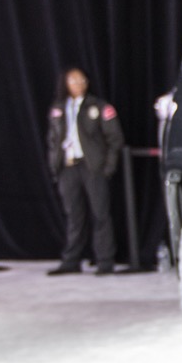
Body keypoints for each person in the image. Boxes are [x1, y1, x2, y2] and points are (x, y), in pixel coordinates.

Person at [45, 67, 125, 275]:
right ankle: (71, 260)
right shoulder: (58, 108)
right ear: (66, 84)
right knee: (74, 215)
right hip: (68, 167)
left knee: (100, 214)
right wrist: (56, 165)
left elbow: (114, 139)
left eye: (82, 80)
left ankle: (105, 261)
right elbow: (53, 140)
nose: (78, 84)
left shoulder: (97, 106)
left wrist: (107, 167)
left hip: (92, 167)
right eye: (73, 81)